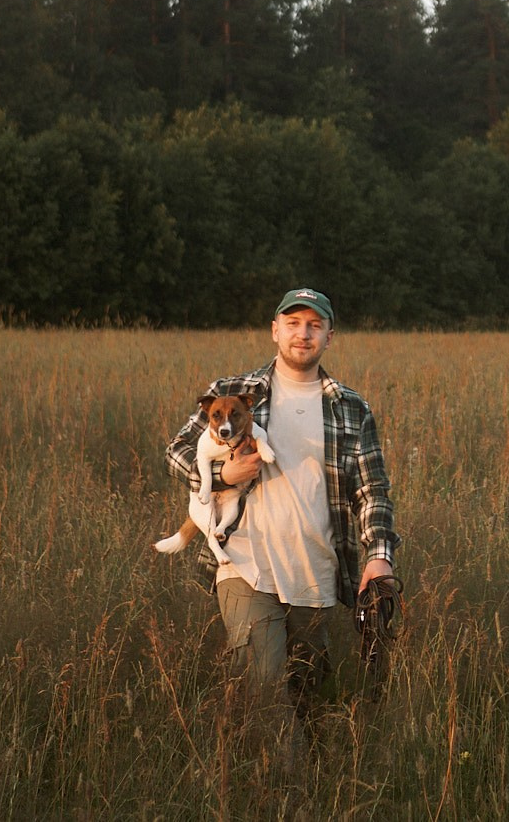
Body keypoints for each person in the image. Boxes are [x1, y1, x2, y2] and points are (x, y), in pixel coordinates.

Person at [164, 287, 398, 695]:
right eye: (292, 324)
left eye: (314, 325)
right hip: (245, 564)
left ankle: (318, 758)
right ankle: (269, 758)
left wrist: (379, 556)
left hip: (315, 573)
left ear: (329, 336)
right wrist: (222, 477)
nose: (302, 334)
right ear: (275, 330)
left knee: (309, 692)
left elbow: (372, 488)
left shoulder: (350, 407)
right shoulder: (233, 392)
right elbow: (178, 451)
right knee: (263, 689)